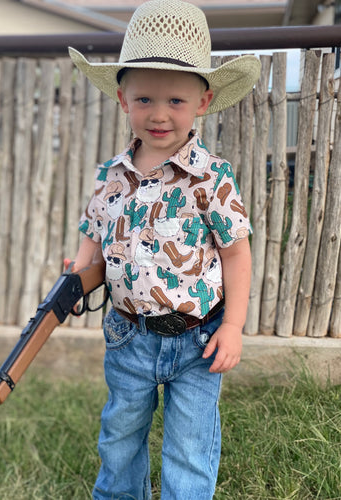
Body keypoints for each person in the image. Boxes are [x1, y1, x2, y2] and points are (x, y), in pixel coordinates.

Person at [68, 0, 261, 498]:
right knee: (120, 436)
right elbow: (94, 229)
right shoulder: (110, 175)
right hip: (127, 336)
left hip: (198, 340)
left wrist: (234, 327)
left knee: (189, 445)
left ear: (202, 101)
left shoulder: (209, 176)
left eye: (175, 101)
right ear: (122, 98)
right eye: (145, 99)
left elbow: (237, 254)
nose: (158, 114)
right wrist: (80, 270)